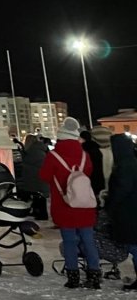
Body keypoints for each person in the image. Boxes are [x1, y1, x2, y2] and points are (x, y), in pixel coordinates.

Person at [41, 117, 101, 288]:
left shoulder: (53, 155)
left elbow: (44, 176)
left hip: (65, 204)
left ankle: (73, 276)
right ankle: (94, 274)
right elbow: (88, 172)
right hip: (84, 204)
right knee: (88, 240)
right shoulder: (84, 155)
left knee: (69, 241)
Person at [104, 133, 137, 290]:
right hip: (131, 209)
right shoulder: (131, 161)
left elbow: (123, 189)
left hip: (129, 211)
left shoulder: (125, 165)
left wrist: (111, 203)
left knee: (134, 246)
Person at [17, 134, 50, 220]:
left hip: (36, 178)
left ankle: (41, 214)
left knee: (39, 196)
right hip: (38, 178)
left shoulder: (33, 151)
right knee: (38, 196)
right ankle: (37, 212)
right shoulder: (38, 149)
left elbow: (28, 162)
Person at [80, 130, 108, 199]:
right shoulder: (97, 147)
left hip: (88, 175)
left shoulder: (82, 149)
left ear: (82, 138)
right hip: (99, 174)